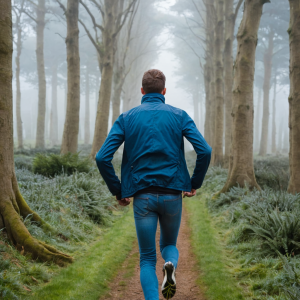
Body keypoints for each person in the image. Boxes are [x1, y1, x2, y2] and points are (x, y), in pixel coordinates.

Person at [96, 69, 212, 300]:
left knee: (147, 258)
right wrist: (193, 182)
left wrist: (118, 190)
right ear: (164, 91)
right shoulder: (179, 116)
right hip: (172, 194)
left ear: (142, 91)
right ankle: (170, 264)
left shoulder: (127, 118)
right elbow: (205, 150)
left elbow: (102, 157)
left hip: (142, 196)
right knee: (169, 244)